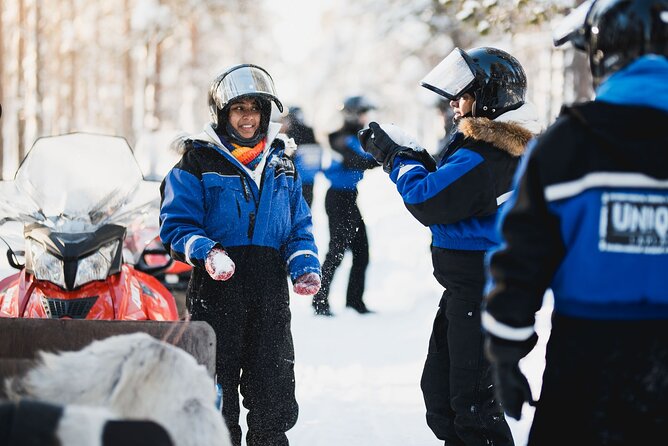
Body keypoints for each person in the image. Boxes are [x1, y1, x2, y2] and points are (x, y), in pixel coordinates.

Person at [481, 0, 668, 444]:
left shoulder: (565, 146)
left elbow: (521, 257)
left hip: (586, 357)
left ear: (603, 55)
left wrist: (506, 351)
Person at [359, 47, 542, 445]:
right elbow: (452, 188)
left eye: (463, 96)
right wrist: (412, 155)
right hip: (467, 289)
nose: (455, 106)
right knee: (442, 398)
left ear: (489, 97)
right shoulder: (489, 150)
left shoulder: (490, 153)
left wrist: (396, 157)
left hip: (482, 289)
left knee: (473, 407)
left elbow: (429, 200)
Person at [159, 63, 322, 446]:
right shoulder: (196, 161)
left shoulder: (282, 163)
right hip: (218, 290)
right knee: (216, 393)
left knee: (273, 390)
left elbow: (298, 227)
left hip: (268, 293)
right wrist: (207, 252)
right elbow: (176, 226)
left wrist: (303, 264)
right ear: (222, 113)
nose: (248, 117)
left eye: (255, 108)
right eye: (238, 108)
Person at [311, 95, 379, 316]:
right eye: (362, 113)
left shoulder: (353, 137)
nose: (365, 118)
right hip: (338, 199)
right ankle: (319, 300)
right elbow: (361, 161)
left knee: (362, 251)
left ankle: (354, 301)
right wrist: (384, 154)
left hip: (350, 198)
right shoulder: (341, 138)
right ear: (351, 114)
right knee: (337, 251)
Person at [280, 106, 323, 207]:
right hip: (310, 179)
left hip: (294, 180)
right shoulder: (311, 132)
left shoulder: (291, 134)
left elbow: (287, 158)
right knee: (305, 210)